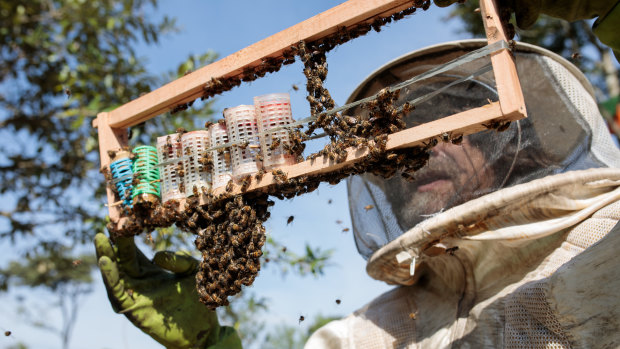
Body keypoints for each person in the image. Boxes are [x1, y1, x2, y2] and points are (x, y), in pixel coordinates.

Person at [95, 7, 620, 349]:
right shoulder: (363, 336)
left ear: (503, 136)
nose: (418, 146)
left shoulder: (608, 244)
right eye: (399, 127)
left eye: (444, 121)